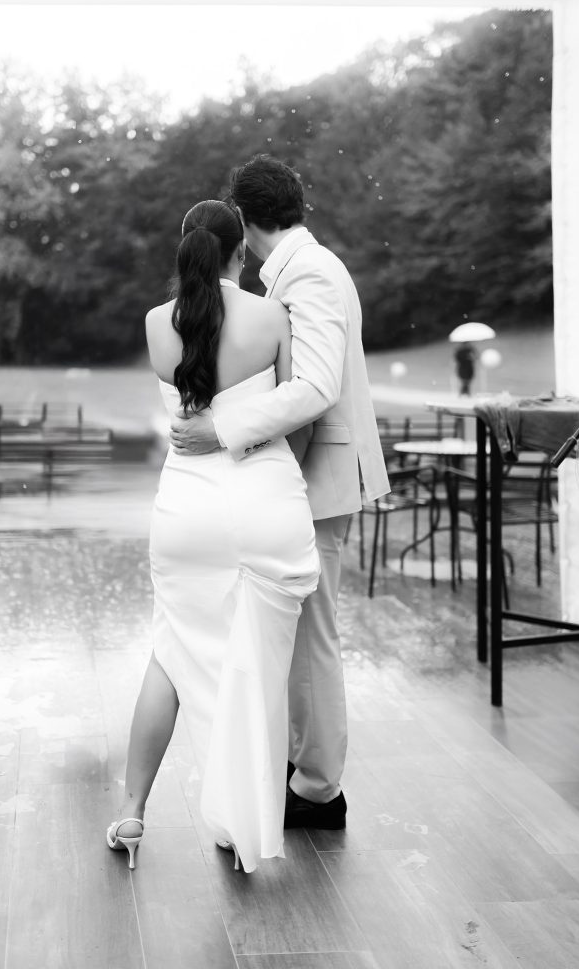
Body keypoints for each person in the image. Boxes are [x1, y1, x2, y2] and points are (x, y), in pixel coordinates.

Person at [170, 155, 389, 831]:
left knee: (312, 637)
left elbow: (316, 386)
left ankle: (319, 789)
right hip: (302, 477)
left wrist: (220, 429)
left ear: (242, 218)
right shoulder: (297, 270)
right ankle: (303, 769)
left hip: (320, 477)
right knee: (298, 638)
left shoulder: (313, 273)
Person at [106, 199, 320, 873]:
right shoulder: (270, 316)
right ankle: (238, 818)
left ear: (184, 246)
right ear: (241, 251)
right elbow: (297, 415)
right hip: (263, 501)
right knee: (253, 663)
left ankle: (133, 811)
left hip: (185, 512)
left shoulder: (153, 324)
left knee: (172, 653)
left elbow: (188, 402)